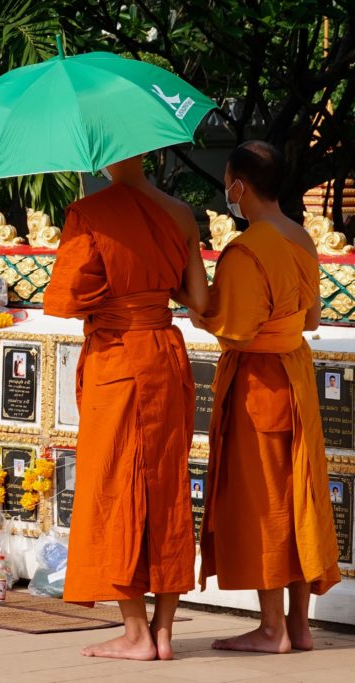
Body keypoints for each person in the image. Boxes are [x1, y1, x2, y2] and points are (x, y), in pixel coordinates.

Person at [43, 154, 209, 661]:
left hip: (117, 360)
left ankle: (135, 634)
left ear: (105, 156)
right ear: (151, 153)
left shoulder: (88, 212)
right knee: (165, 486)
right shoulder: (180, 212)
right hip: (164, 353)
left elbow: (65, 298)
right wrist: (155, 285)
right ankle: (163, 632)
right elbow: (199, 298)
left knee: (116, 484)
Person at [192, 141, 340, 654]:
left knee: (267, 504)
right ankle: (298, 626)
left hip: (259, 382)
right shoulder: (300, 237)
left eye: (227, 182)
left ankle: (273, 628)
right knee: (297, 495)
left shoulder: (248, 247)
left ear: (238, 186)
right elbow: (313, 320)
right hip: (296, 378)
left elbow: (234, 330)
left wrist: (194, 303)